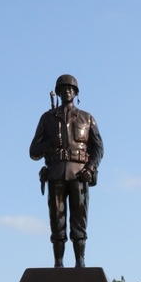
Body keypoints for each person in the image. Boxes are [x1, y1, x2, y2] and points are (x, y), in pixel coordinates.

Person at [29, 74, 104, 268]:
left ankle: (80, 262)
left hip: (79, 174)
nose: (67, 91)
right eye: (63, 88)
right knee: (57, 220)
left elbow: (98, 148)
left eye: (71, 88)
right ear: (59, 92)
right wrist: (50, 143)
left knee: (79, 220)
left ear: (76, 93)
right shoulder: (47, 118)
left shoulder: (87, 118)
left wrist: (91, 166)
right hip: (55, 174)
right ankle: (58, 263)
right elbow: (33, 151)